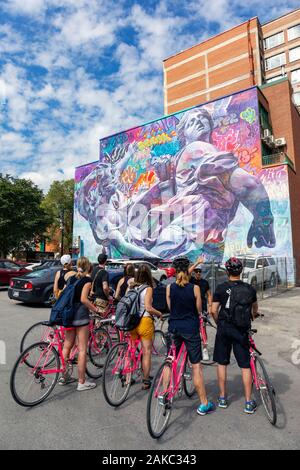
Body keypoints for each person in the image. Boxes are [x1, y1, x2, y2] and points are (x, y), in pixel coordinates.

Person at [166, 257, 214, 416]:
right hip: (190, 329)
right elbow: (199, 310)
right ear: (188, 271)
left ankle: (164, 393)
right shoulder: (194, 288)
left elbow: (170, 307)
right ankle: (204, 403)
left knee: (170, 360)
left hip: (173, 328)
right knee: (196, 367)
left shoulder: (169, 288)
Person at [211, 257, 259, 414]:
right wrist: (254, 315)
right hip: (241, 329)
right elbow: (255, 309)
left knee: (222, 363)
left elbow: (213, 310)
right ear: (241, 271)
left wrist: (219, 322)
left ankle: (223, 398)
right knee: (245, 366)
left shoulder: (221, 288)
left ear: (227, 271)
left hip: (224, 328)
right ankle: (248, 402)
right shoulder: (249, 289)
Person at [60, 256, 102, 391]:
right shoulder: (87, 280)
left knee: (67, 346)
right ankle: (82, 382)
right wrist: (96, 309)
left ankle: (64, 376)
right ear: (88, 267)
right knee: (82, 349)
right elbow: (84, 299)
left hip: (69, 314)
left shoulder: (71, 278)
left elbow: (65, 293)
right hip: (80, 316)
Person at [130, 264, 163, 390]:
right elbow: (148, 307)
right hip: (145, 321)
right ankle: (145, 380)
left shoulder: (131, 287)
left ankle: (129, 376)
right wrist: (159, 313)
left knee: (132, 350)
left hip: (132, 322)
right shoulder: (148, 289)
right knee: (146, 352)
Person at [189, 256, 212, 361]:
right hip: (191, 309)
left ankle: (205, 349)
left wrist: (210, 306)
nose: (198, 273)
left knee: (203, 329)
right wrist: (197, 263)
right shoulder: (191, 280)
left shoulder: (204, 282)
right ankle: (194, 349)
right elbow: (187, 273)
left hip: (202, 309)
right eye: (196, 271)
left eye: (200, 272)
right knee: (192, 330)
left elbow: (209, 294)